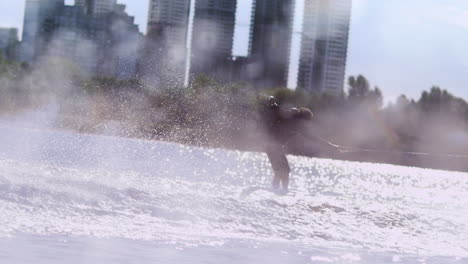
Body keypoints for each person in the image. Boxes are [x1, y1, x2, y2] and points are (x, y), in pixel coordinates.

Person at [259, 96, 341, 191]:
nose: (306, 125)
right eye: (306, 122)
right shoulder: (292, 119)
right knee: (284, 171)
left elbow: (313, 137)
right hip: (273, 146)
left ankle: (276, 191)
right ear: (303, 119)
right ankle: (282, 191)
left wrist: (331, 146)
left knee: (281, 171)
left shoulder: (295, 123)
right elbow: (314, 137)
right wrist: (272, 102)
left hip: (272, 146)